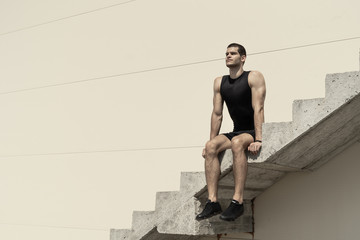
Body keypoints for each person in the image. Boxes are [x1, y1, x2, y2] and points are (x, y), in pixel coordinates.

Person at [196, 43, 266, 221]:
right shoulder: (220, 82)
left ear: (242, 58)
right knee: (211, 145)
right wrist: (211, 143)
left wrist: (258, 138)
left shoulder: (254, 77)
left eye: (233, 53)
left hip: (251, 130)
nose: (228, 56)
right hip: (237, 130)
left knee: (237, 143)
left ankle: (237, 202)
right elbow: (217, 114)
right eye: (226, 53)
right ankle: (213, 202)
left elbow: (258, 108)